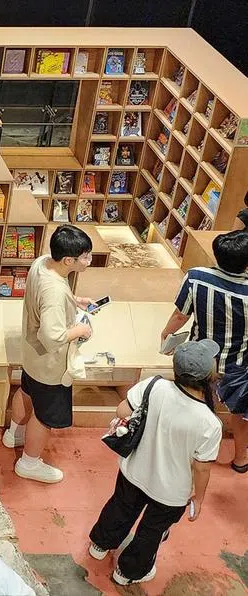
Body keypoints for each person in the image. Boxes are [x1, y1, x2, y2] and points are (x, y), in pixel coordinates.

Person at [87, 340, 222, 586]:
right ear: (208, 376)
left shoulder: (154, 385)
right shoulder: (209, 423)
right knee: (151, 531)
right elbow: (202, 467)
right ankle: (127, 572)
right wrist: (199, 498)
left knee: (120, 508)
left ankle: (100, 545)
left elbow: (122, 411)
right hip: (170, 493)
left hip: (134, 471)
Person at [3, 225, 95, 483]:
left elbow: (47, 296)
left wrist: (73, 300)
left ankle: (13, 435)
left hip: (32, 355)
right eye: (85, 256)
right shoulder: (54, 292)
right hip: (49, 364)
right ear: (68, 260)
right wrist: (79, 330)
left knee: (26, 391)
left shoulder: (43, 262)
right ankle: (29, 462)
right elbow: (52, 336)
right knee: (44, 416)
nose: (89, 260)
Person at [160, 228, 248, 472]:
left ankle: (185, 451)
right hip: (238, 364)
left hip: (200, 359)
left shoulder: (196, 277)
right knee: (240, 412)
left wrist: (166, 334)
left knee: (192, 401)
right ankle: (240, 459)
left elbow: (180, 315)